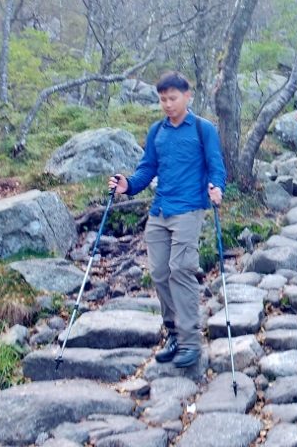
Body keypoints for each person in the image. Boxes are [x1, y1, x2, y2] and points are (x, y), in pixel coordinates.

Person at [109, 71, 226, 369]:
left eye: (173, 98)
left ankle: (190, 342)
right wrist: (129, 185)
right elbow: (147, 167)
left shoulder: (203, 129)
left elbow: (216, 165)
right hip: (160, 210)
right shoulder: (156, 131)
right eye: (162, 99)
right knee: (160, 273)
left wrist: (217, 187)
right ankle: (173, 331)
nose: (168, 104)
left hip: (189, 209)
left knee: (180, 270)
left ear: (188, 96)